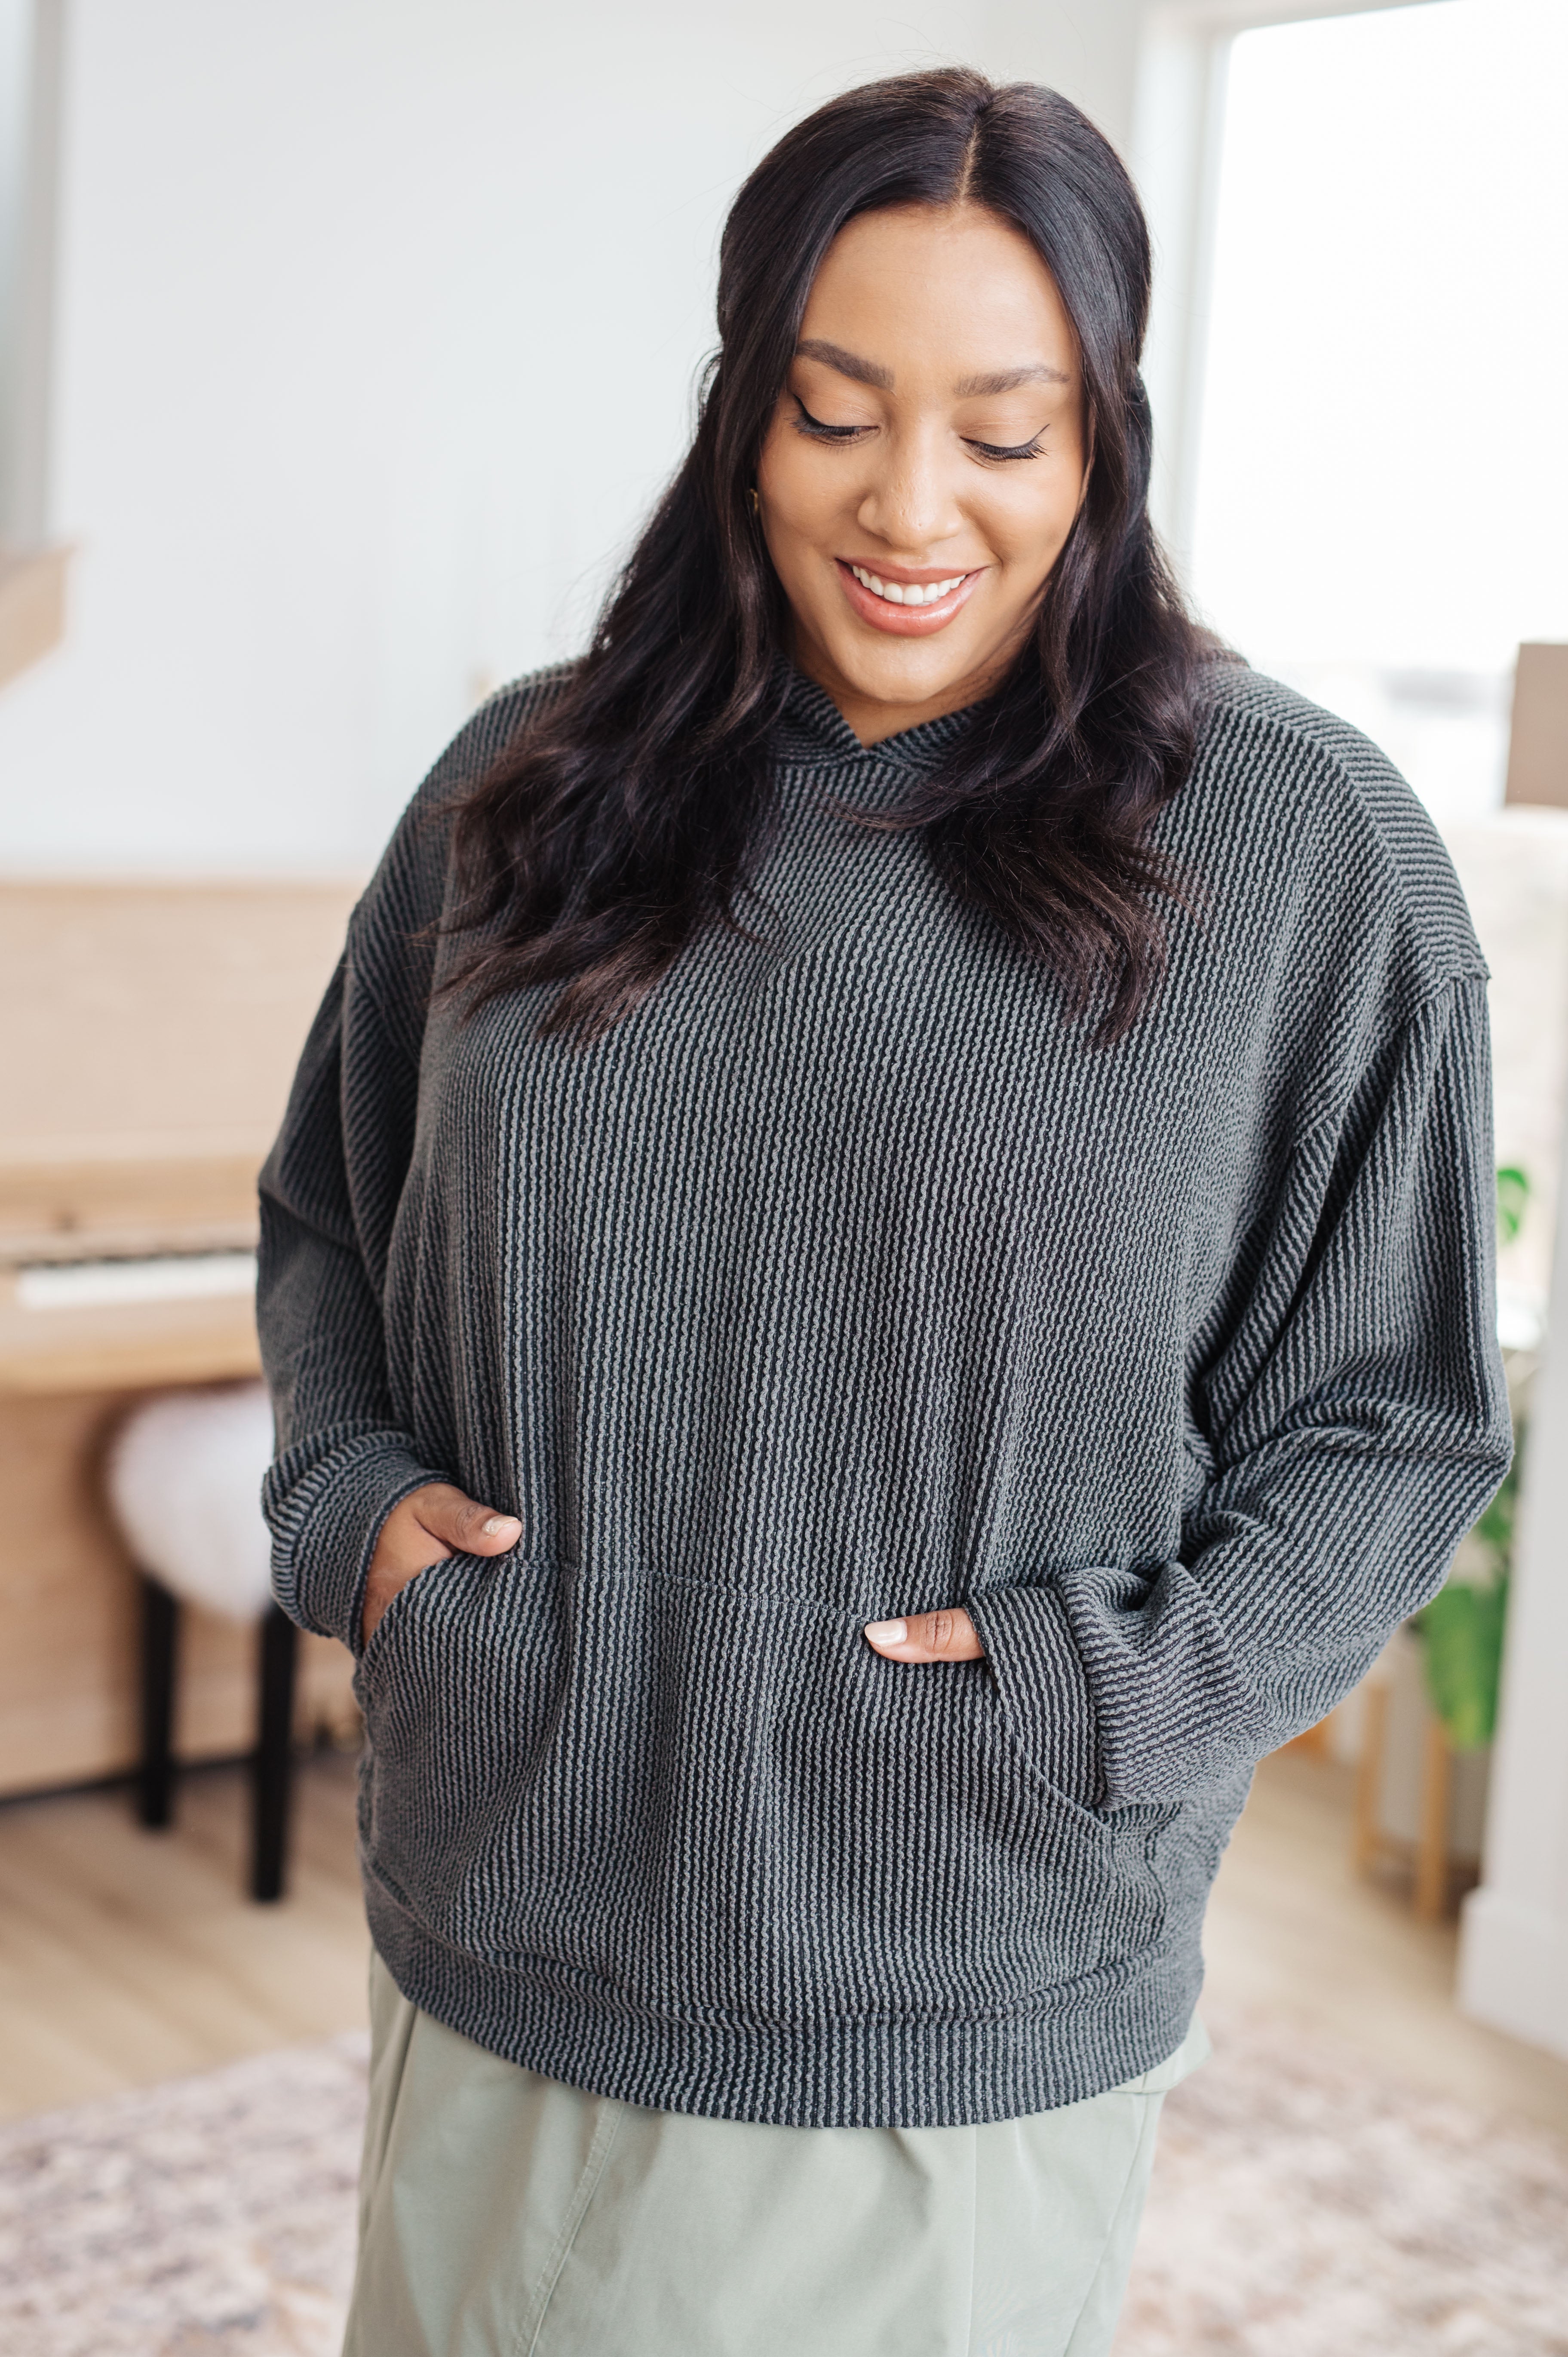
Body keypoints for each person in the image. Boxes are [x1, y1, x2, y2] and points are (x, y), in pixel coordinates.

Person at [258, 66, 1510, 2357]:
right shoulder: (521, 791)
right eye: (837, 411)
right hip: (500, 1912)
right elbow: (330, 1208)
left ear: (1105, 441)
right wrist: (350, 1499)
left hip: (944, 1988)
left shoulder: (1300, 851)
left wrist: (1123, 1697)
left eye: (1002, 431)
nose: (908, 502)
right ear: (745, 411)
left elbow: (1395, 1421)